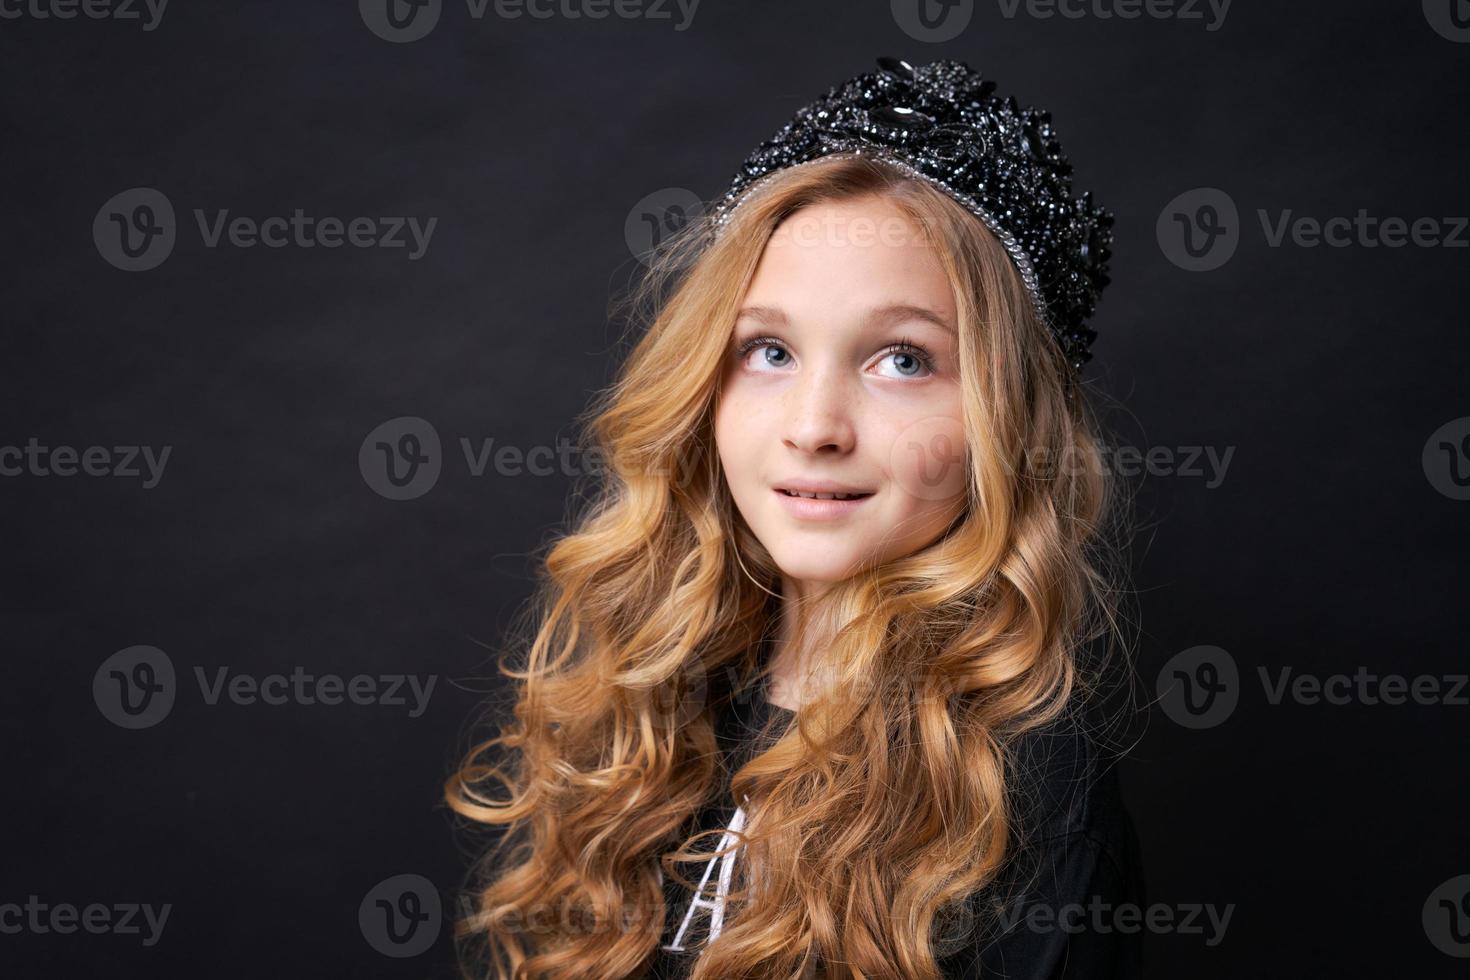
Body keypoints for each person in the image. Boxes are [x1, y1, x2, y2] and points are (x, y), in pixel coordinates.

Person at [445, 57, 1142, 979]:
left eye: (902, 360)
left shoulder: (1025, 792)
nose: (814, 428)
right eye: (769, 350)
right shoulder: (660, 711)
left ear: (1004, 418)